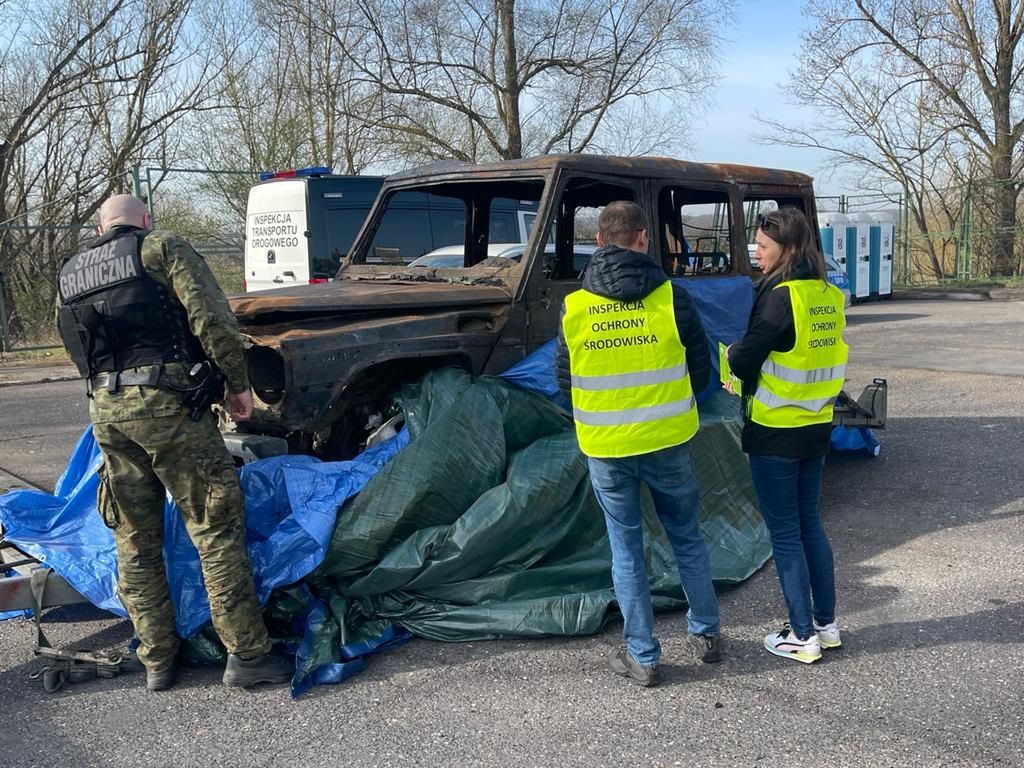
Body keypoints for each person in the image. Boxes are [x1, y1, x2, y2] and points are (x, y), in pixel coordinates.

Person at [56, 195, 291, 691]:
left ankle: (157, 660)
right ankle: (247, 655)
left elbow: (75, 344)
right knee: (215, 527)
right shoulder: (161, 248)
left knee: (134, 540)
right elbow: (211, 317)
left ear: (101, 226)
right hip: (169, 406)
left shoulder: (72, 270)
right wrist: (236, 383)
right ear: (144, 220)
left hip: (106, 411)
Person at [556, 200, 720, 687]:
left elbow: (563, 381)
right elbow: (702, 370)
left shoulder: (575, 306)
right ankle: (707, 632)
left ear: (600, 242)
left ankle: (644, 655)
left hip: (606, 446)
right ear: (644, 239)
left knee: (625, 548)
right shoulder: (672, 297)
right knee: (686, 535)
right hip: (668, 438)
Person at [727, 207, 848, 664]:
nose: (755, 254)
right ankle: (826, 625)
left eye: (761, 246)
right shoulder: (826, 293)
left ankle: (801, 635)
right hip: (816, 425)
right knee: (810, 525)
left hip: (776, 430)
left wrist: (735, 355)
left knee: (785, 533)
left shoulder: (780, 297)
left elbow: (744, 361)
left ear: (788, 248)